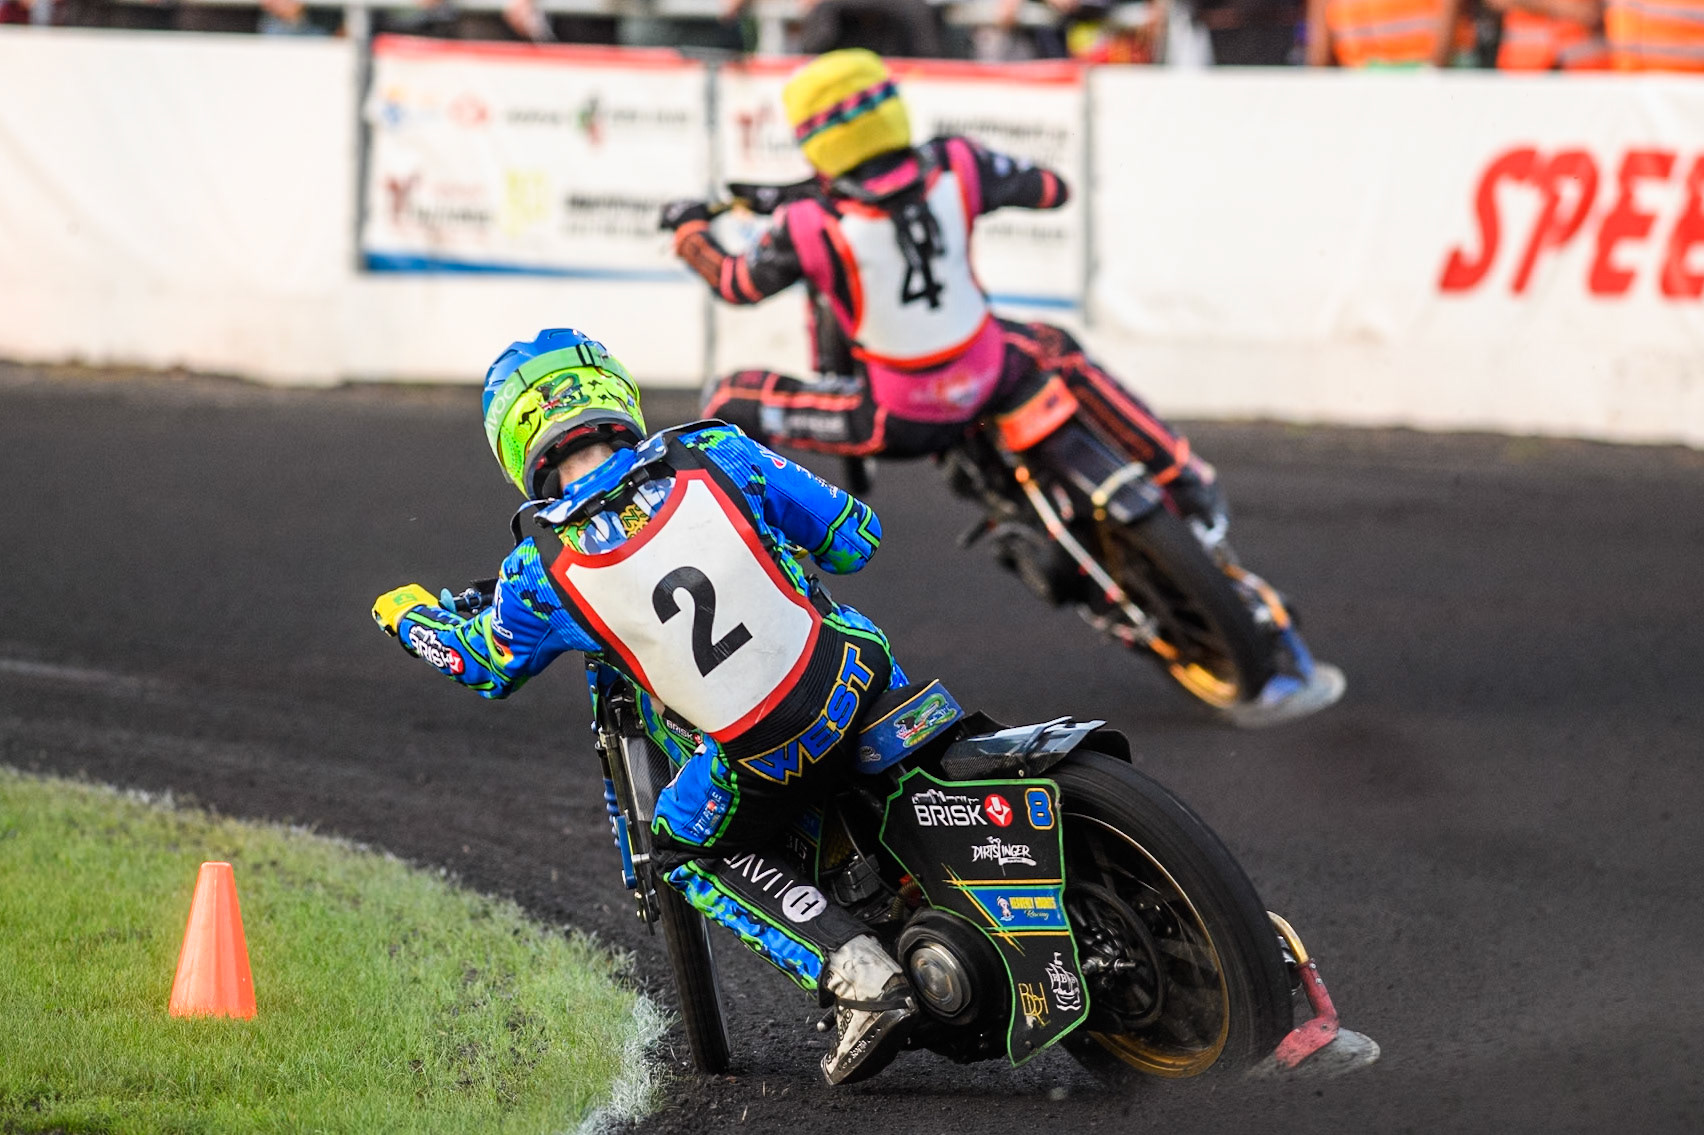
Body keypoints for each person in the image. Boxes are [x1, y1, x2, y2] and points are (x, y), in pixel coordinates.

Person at [371, 328, 930, 1086]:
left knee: (681, 845)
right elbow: (855, 538)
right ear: (614, 393)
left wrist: (408, 616)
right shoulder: (715, 449)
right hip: (861, 669)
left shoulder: (541, 568)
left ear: (516, 440)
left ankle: (858, 973)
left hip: (762, 750)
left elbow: (481, 663)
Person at [660, 48, 1224, 528]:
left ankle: (769, 547)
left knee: (727, 398)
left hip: (897, 418)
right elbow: (1052, 190)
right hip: (990, 370)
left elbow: (734, 283)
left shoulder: (805, 222)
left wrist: (689, 234)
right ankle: (1184, 475)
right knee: (1057, 346)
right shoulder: (957, 161)